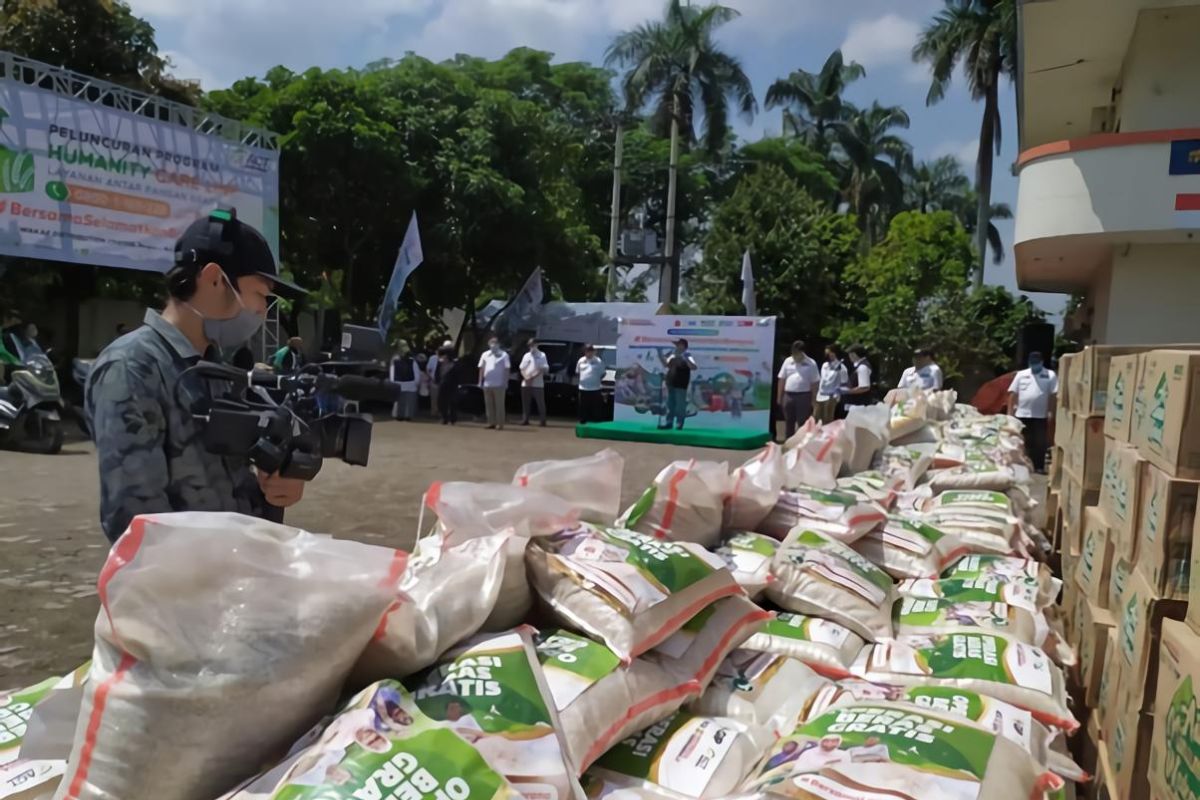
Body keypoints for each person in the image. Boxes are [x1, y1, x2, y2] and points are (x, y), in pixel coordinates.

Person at [85, 209, 308, 544]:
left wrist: (276, 487)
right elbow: (135, 522)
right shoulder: (133, 367)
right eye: (260, 294)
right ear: (216, 279)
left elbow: (233, 482)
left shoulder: (214, 367)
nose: (263, 310)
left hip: (232, 576)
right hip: (180, 586)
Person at [1007, 352, 1057, 473]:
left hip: (1040, 415)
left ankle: (1038, 466)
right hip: (1021, 414)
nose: (1034, 365)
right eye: (1032, 363)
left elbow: (1053, 395)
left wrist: (1052, 411)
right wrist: (1009, 413)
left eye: (1036, 363)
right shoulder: (1021, 375)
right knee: (1022, 441)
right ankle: (1023, 465)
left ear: (1041, 362)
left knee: (1039, 442)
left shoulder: (1050, 375)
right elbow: (1013, 394)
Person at [776, 340, 819, 439]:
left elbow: (814, 383)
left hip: (804, 396)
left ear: (802, 353)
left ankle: (800, 443)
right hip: (788, 395)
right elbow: (781, 379)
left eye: (797, 354)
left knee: (802, 421)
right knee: (788, 421)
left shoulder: (811, 363)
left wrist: (814, 400)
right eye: (793, 354)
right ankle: (788, 442)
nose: (795, 356)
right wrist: (779, 397)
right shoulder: (788, 361)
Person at [658, 338, 697, 430]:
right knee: (670, 404)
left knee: (680, 405)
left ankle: (679, 423)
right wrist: (660, 355)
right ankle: (669, 422)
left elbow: (694, 367)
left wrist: (684, 358)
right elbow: (666, 364)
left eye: (678, 345)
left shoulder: (688, 355)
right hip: (671, 382)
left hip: (681, 384)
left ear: (683, 346)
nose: (676, 346)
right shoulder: (672, 355)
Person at [478, 336, 510, 430]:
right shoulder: (485, 354)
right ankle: (491, 422)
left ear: (499, 344)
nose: (493, 344)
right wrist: (480, 381)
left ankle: (500, 424)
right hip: (487, 384)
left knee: (499, 405)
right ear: (488, 344)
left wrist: (505, 382)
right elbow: (481, 368)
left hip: (499, 384)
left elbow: (507, 369)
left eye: (495, 343)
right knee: (489, 404)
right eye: (491, 343)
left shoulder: (504, 355)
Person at [519, 338, 549, 427]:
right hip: (526, 383)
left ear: (536, 345)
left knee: (540, 403)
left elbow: (542, 369)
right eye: (529, 345)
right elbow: (521, 368)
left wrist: (532, 377)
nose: (531, 347)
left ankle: (543, 421)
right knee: (525, 402)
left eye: (532, 345)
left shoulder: (542, 355)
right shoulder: (526, 355)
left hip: (537, 384)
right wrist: (526, 377)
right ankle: (525, 419)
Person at [815, 346, 848, 424]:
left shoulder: (841, 367)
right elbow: (823, 379)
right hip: (821, 395)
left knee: (827, 420)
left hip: (832, 396)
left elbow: (844, 381)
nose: (827, 355)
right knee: (817, 418)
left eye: (829, 353)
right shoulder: (825, 365)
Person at [390, 341, 419, 421]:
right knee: (408, 402)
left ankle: (400, 416)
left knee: (400, 401)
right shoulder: (412, 361)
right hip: (409, 384)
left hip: (400, 384)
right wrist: (416, 383)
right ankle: (406, 416)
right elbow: (416, 374)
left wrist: (393, 382)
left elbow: (392, 373)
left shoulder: (395, 361)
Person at [576, 344, 605, 424]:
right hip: (583, 388)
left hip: (595, 388)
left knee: (596, 408)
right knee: (583, 407)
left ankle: (597, 423)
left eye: (591, 351)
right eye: (587, 351)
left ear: (593, 352)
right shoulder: (581, 360)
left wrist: (594, 379)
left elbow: (603, 374)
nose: (589, 353)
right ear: (585, 352)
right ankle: (583, 423)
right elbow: (578, 372)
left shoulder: (598, 361)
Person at [841, 344, 874, 410]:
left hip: (858, 406)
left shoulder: (862, 367)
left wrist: (846, 391)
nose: (849, 356)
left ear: (854, 354)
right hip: (854, 405)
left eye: (850, 354)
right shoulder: (859, 366)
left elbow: (864, 388)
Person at [435, 345, 460, 425]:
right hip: (442, 385)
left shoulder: (455, 364)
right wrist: (437, 381)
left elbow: (457, 375)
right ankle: (444, 418)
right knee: (441, 402)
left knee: (452, 402)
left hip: (452, 385)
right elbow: (437, 373)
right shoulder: (440, 363)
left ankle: (453, 418)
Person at [427, 339, 452, 418]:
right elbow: (428, 369)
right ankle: (434, 413)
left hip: (444, 382)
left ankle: (444, 413)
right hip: (434, 381)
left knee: (444, 399)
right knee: (434, 399)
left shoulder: (448, 358)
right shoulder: (432, 358)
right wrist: (431, 378)